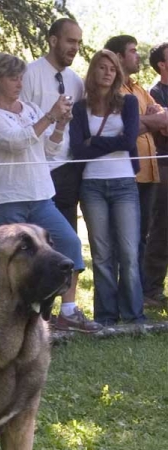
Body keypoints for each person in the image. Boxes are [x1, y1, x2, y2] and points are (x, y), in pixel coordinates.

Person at [0, 52, 95, 331]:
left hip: (41, 195)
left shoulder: (29, 109)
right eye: (12, 77)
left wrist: (61, 125)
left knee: (69, 244)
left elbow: (47, 149)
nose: (19, 82)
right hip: (9, 199)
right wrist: (49, 116)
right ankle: (6, 318)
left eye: (20, 77)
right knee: (7, 263)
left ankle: (67, 311)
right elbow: (18, 142)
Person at [70, 50, 144, 326]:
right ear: (93, 72)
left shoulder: (129, 103)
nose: (107, 72)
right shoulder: (80, 108)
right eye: (102, 67)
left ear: (118, 74)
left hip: (124, 182)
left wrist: (94, 144)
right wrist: (99, 144)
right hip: (92, 185)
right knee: (101, 253)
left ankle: (134, 314)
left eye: (112, 69)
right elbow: (78, 150)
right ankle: (106, 315)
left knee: (129, 251)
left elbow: (128, 142)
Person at [104, 35, 168, 288]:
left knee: (141, 235)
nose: (137, 55)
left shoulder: (139, 89)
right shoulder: (113, 90)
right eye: (132, 51)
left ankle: (138, 291)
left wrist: (148, 121)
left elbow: (162, 120)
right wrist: (148, 121)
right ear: (118, 57)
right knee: (123, 238)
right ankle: (121, 293)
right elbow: (121, 129)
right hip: (127, 173)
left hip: (149, 172)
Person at [21, 18, 84, 232]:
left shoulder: (76, 81)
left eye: (78, 43)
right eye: (70, 41)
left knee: (66, 239)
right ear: (53, 40)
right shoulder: (28, 74)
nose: (75, 48)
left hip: (66, 169)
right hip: (35, 169)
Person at [143, 42, 168, 308]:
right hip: (164, 167)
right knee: (162, 229)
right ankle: (151, 290)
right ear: (161, 64)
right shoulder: (156, 92)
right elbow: (163, 128)